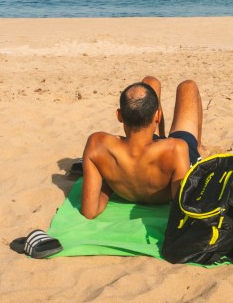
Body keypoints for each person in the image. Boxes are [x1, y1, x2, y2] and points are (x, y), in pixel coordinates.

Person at [79, 76, 204, 220]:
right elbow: (181, 211)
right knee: (187, 86)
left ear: (119, 116)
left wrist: (109, 186)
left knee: (150, 81)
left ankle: (160, 138)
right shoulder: (177, 148)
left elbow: (90, 211)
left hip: (140, 154)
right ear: (158, 116)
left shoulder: (96, 145)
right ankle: (199, 148)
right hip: (168, 157)